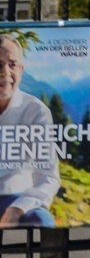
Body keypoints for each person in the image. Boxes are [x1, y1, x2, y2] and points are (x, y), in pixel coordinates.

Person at [0, 33, 58, 228]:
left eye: (12, 64)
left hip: (18, 197)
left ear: (22, 70)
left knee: (44, 221)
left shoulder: (35, 110)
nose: (5, 73)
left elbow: (49, 176)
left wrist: (18, 208)